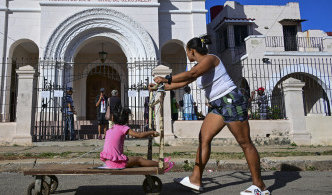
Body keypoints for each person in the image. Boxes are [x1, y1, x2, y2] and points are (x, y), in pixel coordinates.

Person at [151, 35, 269, 195]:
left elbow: (191, 74)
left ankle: (259, 186)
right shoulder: (199, 66)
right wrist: (160, 87)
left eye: (187, 52)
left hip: (231, 100)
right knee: (204, 138)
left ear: (192, 51)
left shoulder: (210, 59)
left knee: (244, 142)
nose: (187, 55)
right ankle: (195, 179)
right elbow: (184, 82)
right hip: (218, 105)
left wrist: (165, 78)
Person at [100, 107, 175, 171]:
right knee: (139, 159)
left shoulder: (110, 130)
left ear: (112, 119)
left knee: (135, 160)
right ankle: (162, 165)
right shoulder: (123, 128)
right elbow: (139, 135)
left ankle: (158, 162)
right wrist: (151, 132)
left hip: (108, 162)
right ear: (127, 120)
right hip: (116, 163)